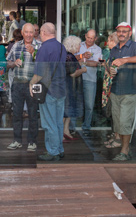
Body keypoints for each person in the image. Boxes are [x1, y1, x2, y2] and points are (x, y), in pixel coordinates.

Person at [108, 22, 136, 161]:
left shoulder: (135, 46)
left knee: (125, 122)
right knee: (118, 122)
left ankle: (125, 150)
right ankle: (122, 146)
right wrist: (110, 70)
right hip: (115, 89)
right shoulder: (114, 49)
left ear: (130, 33)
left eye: (124, 31)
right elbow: (110, 64)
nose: (121, 34)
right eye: (119, 31)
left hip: (129, 90)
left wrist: (125, 60)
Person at [30, 22, 67, 161]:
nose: (38, 34)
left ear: (44, 32)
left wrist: (31, 83)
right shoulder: (61, 47)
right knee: (58, 122)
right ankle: (59, 149)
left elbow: (39, 73)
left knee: (49, 123)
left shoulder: (44, 48)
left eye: (39, 31)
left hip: (48, 90)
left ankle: (52, 152)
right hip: (61, 89)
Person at [6, 23, 41, 152]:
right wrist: (13, 63)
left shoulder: (39, 46)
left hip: (33, 84)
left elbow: (43, 66)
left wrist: (34, 54)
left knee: (33, 114)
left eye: (31, 32)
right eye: (26, 32)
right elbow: (7, 63)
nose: (28, 35)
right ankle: (17, 140)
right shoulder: (16, 45)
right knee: (16, 114)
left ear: (34, 33)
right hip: (17, 83)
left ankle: (32, 141)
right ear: (22, 33)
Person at [75, 29, 102, 135]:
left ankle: (86, 126)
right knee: (76, 103)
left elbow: (96, 63)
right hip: (76, 78)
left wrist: (82, 60)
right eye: (88, 37)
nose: (89, 40)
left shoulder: (98, 49)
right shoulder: (78, 45)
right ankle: (73, 126)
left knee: (89, 105)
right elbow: (72, 59)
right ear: (85, 36)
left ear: (95, 38)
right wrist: (82, 57)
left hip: (90, 79)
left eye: (92, 38)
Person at [62, 35, 86, 141]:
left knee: (68, 111)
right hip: (68, 87)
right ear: (73, 45)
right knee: (65, 111)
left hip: (69, 87)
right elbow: (72, 73)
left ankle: (66, 132)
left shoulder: (68, 56)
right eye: (79, 45)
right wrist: (83, 70)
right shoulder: (69, 56)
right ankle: (61, 134)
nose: (80, 46)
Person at [101, 32, 120, 148]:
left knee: (115, 111)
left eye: (110, 41)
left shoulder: (117, 54)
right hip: (108, 84)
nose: (108, 43)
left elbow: (114, 71)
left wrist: (105, 66)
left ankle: (117, 137)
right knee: (112, 111)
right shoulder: (112, 53)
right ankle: (114, 134)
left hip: (112, 85)